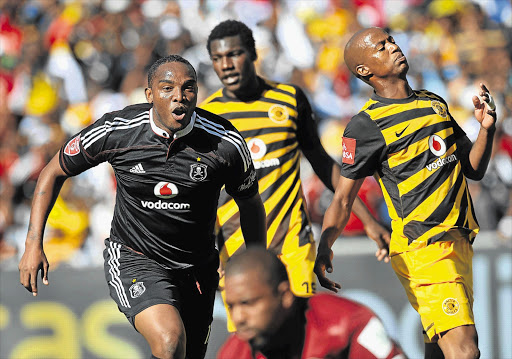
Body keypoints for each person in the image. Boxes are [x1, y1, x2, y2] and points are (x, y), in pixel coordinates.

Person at [18, 54, 266, 359]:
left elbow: (250, 204)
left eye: (188, 88)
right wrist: (32, 244)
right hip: (136, 258)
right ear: (150, 95)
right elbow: (53, 171)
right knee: (169, 341)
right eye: (167, 88)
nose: (179, 97)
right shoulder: (118, 130)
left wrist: (257, 265)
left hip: (197, 266)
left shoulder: (225, 142)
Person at [314, 27, 497, 359]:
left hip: (458, 240)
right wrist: (325, 244)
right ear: (363, 71)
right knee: (465, 350)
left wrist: (486, 129)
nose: (393, 47)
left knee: (438, 350)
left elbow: (473, 168)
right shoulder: (365, 125)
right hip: (423, 248)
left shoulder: (433, 103)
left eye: (392, 41)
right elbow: (342, 197)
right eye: (381, 47)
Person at [200, 19, 391, 331]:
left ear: (252, 53)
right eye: (218, 58)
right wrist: (215, 259)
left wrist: (368, 221)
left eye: (234, 54)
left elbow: (322, 163)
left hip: (293, 247)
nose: (226, 65)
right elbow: (204, 195)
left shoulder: (289, 99)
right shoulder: (208, 117)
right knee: (256, 344)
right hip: (238, 257)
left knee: (300, 335)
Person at [218, 247, 405, 359]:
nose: (238, 318)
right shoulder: (234, 353)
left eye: (247, 303)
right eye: (231, 306)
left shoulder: (348, 323)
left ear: (284, 295)